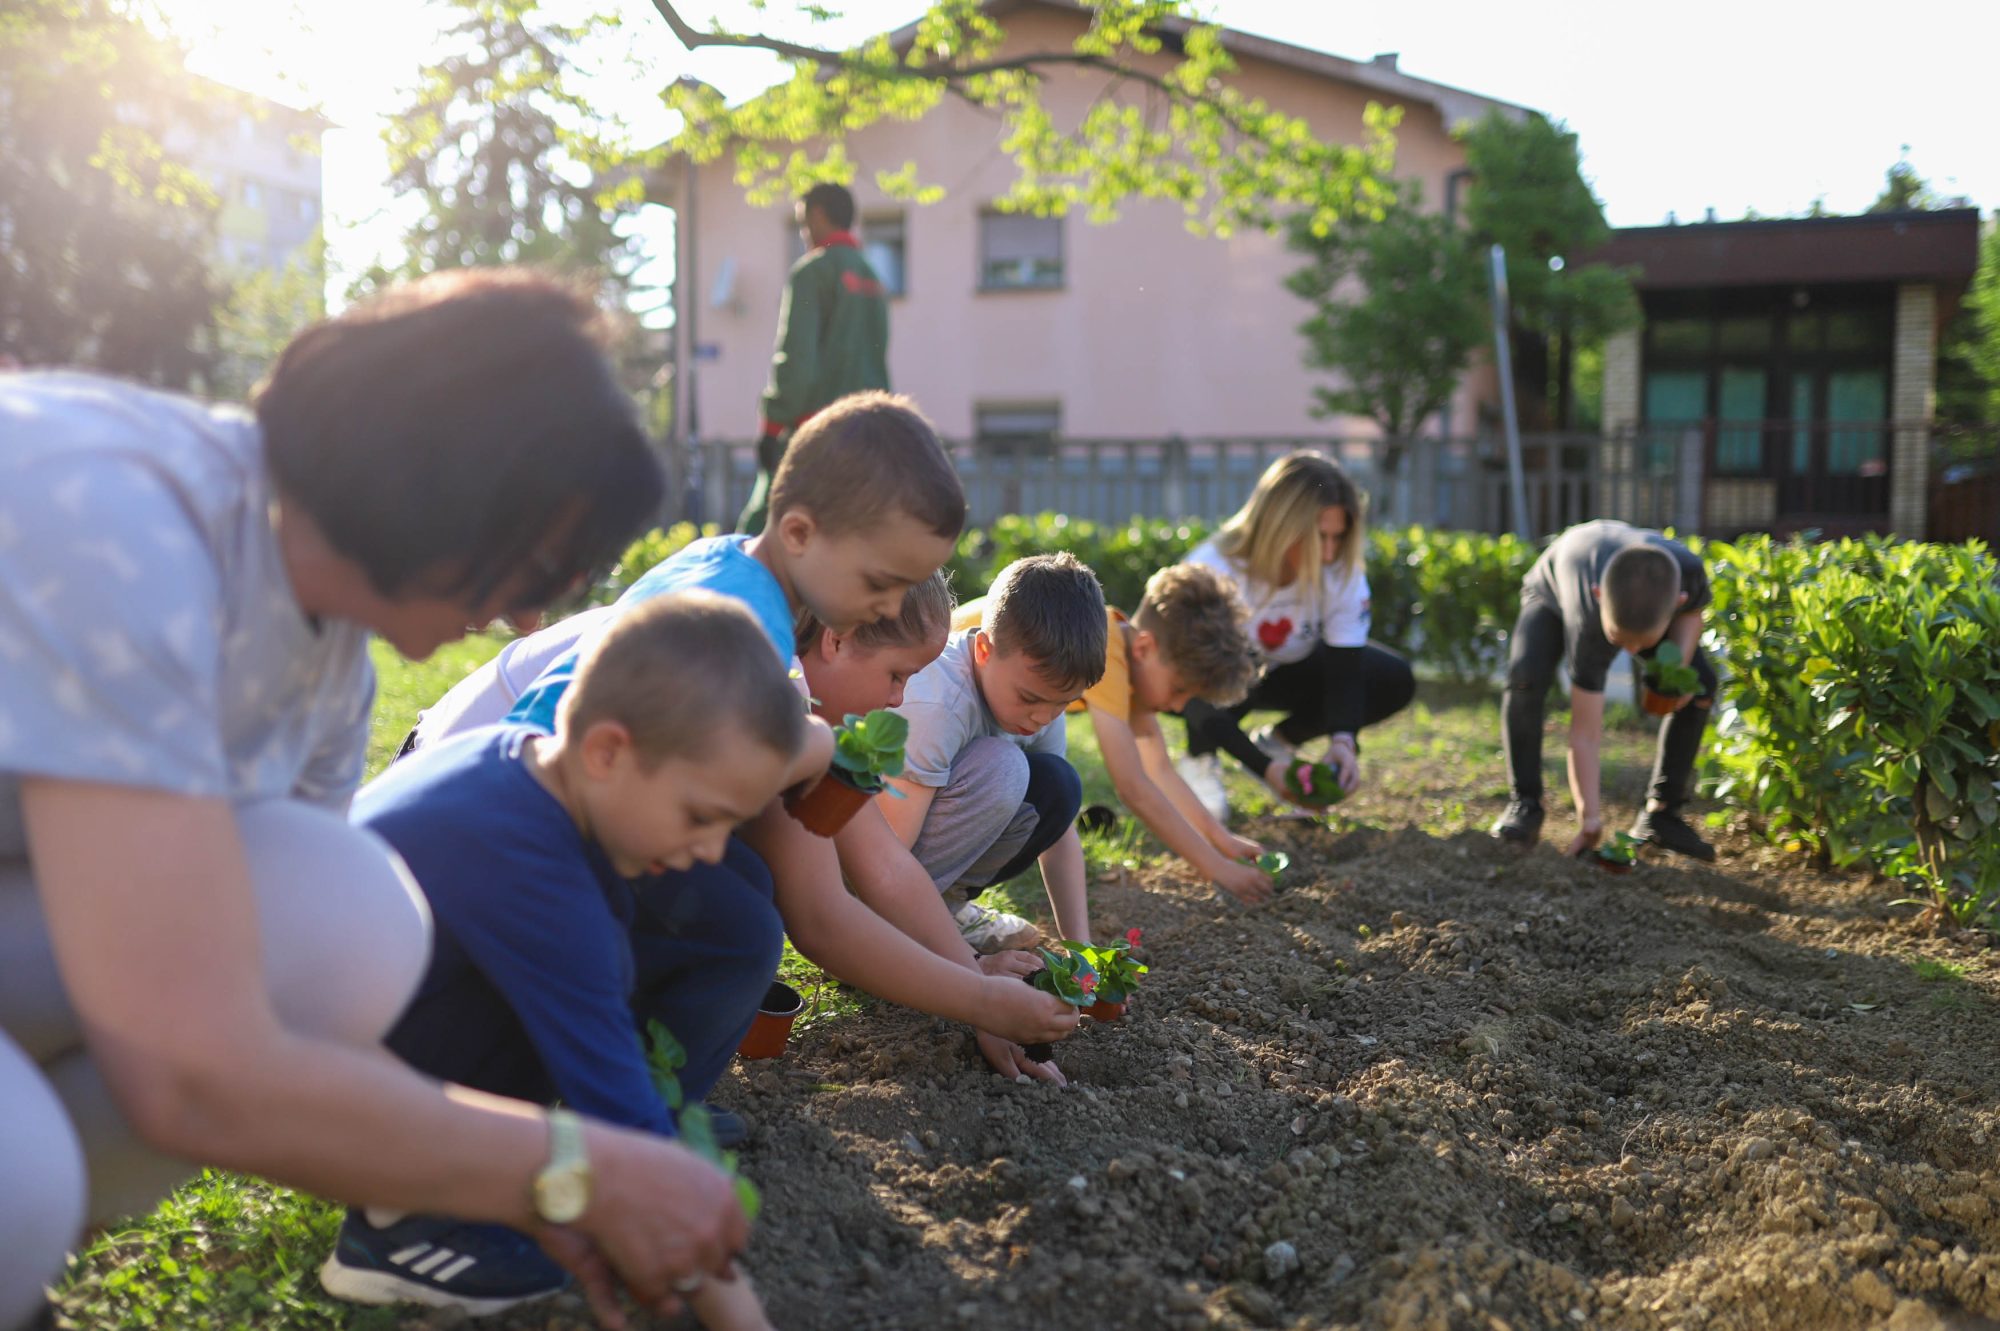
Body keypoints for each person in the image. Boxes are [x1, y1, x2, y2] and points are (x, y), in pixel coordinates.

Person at [0, 269, 753, 1331]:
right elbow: (190, 1071)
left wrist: (490, 1182)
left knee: (347, 920)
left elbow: (266, 1022)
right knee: (18, 1171)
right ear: (437, 476)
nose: (527, 608)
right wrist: (569, 1165)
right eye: (535, 557)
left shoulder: (329, 668)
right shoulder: (130, 525)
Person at [415, 393, 1079, 1087]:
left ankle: (614, 1089)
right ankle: (635, 1109)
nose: (887, 607)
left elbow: (878, 862)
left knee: (737, 887)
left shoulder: (735, 571)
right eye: (882, 585)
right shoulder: (754, 645)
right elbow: (822, 915)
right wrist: (977, 997)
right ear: (799, 533)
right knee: (737, 922)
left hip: (487, 798)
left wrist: (976, 991)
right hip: (499, 827)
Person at [322, 592, 814, 1326]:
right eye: (700, 816)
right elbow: (623, 1121)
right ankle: (404, 1224)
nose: (712, 848)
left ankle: (449, 1177)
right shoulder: (532, 872)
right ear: (607, 750)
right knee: (584, 987)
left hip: (345, 1039)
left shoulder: (515, 765)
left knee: (602, 965)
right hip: (314, 1088)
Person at [880, 553, 1105, 965]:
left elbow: (1059, 832)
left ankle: (945, 910)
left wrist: (1083, 951)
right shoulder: (936, 704)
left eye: (1063, 703)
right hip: (870, 871)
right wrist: (973, 969)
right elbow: (884, 858)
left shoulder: (1041, 702)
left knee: (1058, 783)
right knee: (1003, 766)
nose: (1042, 717)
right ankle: (905, 935)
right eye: (1031, 699)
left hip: (918, 863)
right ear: (984, 649)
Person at [1174, 451, 1417, 819]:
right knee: (1216, 677)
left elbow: (1345, 669)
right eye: (1320, 537)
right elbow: (1188, 690)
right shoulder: (1213, 569)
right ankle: (1199, 759)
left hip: (1288, 668)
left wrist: (1343, 740)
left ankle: (1278, 742)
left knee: (1393, 679)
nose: (1331, 552)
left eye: (1340, 537)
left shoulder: (1341, 571)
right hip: (1219, 682)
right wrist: (1267, 772)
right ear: (1279, 526)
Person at [1491, 519, 1717, 861]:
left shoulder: (1689, 573)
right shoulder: (1588, 623)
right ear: (1599, 597)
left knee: (1701, 684)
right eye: (1619, 639)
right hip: (1554, 584)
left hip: (1640, 592)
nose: (1630, 651)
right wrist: (1590, 819)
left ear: (1676, 603)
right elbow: (1584, 734)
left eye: (1641, 643)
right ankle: (1525, 805)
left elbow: (1693, 614)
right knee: (1525, 677)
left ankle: (1662, 815)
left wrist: (1675, 672)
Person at [1059, 564, 1272, 904]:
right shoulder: (1106, 648)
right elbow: (1133, 788)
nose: (1178, 705)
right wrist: (1218, 869)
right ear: (1145, 648)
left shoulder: (1130, 660)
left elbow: (1158, 770)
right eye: (1178, 689)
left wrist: (1220, 838)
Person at [738, 183, 891, 536]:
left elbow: (796, 358)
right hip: (868, 433)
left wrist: (772, 426)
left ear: (819, 215)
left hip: (815, 432)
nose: (805, 232)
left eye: (804, 222)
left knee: (764, 530)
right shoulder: (873, 279)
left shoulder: (811, 272)